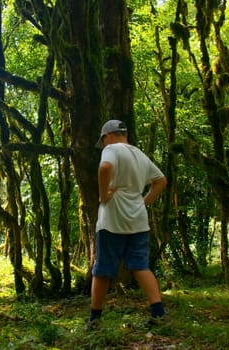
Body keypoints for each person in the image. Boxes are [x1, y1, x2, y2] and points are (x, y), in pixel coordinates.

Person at [89, 120, 168, 329]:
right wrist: (143, 202)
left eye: (103, 141)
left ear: (107, 136)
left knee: (103, 269)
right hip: (138, 221)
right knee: (140, 266)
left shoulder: (112, 149)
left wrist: (103, 195)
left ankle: (95, 318)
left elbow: (105, 167)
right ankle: (158, 313)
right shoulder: (140, 155)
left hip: (113, 221)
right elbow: (161, 180)